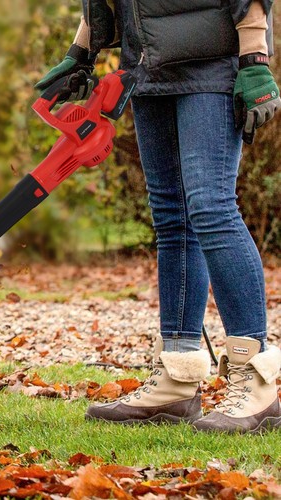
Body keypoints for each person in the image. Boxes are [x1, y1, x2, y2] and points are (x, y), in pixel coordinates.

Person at [36, 0, 280, 433]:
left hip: (210, 68)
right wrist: (80, 53)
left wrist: (255, 58)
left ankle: (256, 381)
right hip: (148, 71)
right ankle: (178, 379)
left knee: (210, 207)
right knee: (172, 218)